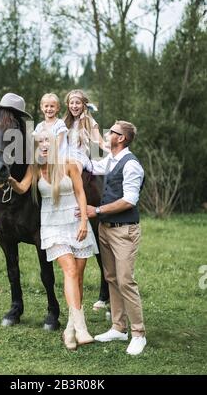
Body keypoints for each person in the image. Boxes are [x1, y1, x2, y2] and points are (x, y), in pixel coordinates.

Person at [8, 130, 98, 350]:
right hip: (52, 225)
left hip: (76, 222)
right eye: (39, 142)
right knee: (69, 270)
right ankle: (82, 327)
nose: (44, 145)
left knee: (77, 277)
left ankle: (69, 330)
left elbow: (80, 193)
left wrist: (85, 223)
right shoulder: (35, 168)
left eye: (47, 141)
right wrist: (7, 179)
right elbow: (21, 188)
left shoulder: (69, 164)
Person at [76, 120, 146, 356]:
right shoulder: (112, 160)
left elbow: (129, 200)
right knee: (112, 278)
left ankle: (138, 334)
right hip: (106, 230)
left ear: (121, 138)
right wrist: (75, 147)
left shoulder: (131, 165)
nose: (108, 134)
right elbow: (92, 167)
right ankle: (118, 327)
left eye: (112, 132)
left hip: (124, 230)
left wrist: (96, 211)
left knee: (126, 281)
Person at [64, 89, 108, 174]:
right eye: (71, 103)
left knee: (73, 169)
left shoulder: (90, 122)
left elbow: (100, 142)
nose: (74, 106)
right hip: (64, 155)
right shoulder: (65, 122)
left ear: (84, 105)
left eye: (78, 103)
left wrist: (117, 153)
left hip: (79, 157)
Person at [33, 93, 68, 159]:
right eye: (46, 106)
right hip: (43, 158)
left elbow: (58, 144)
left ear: (57, 108)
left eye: (52, 106)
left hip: (58, 159)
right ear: (42, 108)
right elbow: (35, 143)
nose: (49, 109)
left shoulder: (59, 124)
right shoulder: (39, 126)